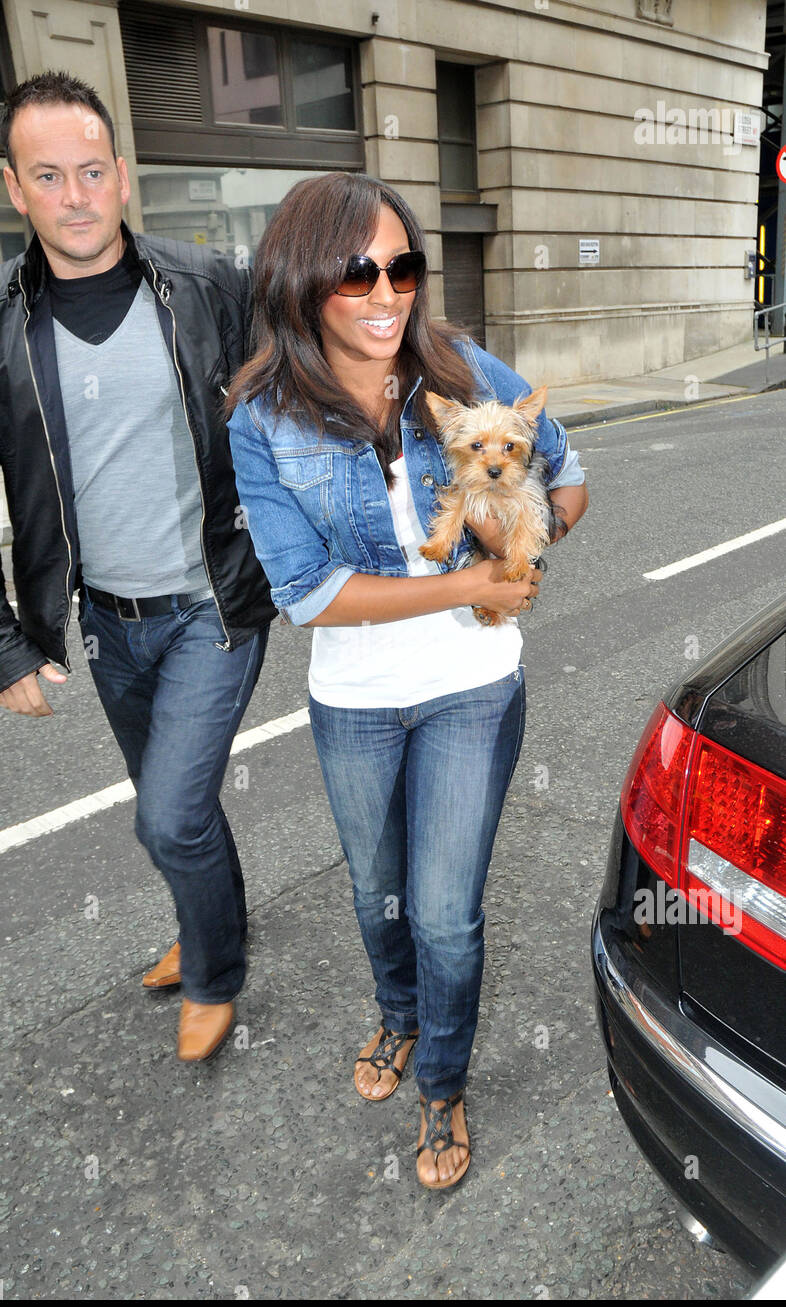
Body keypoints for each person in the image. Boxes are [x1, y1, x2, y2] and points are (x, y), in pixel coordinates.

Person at [227, 171, 588, 1189]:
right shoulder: (260, 417)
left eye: (402, 267)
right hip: (355, 699)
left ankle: (441, 1078)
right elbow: (308, 592)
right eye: (356, 271)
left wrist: (524, 552)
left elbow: (563, 471)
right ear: (303, 281)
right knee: (377, 894)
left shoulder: (460, 366)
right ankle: (395, 1010)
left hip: (474, 683)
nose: (387, 293)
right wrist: (467, 577)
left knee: (444, 912)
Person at [0, 72, 276, 1060]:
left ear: (121, 177)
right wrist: (6, 645)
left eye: (89, 171)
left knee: (167, 813)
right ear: (13, 186)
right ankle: (217, 925)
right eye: (47, 175)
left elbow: (285, 409)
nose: (73, 195)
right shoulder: (6, 326)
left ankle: (215, 971)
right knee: (177, 809)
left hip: (215, 603)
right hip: (106, 624)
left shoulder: (206, 282)